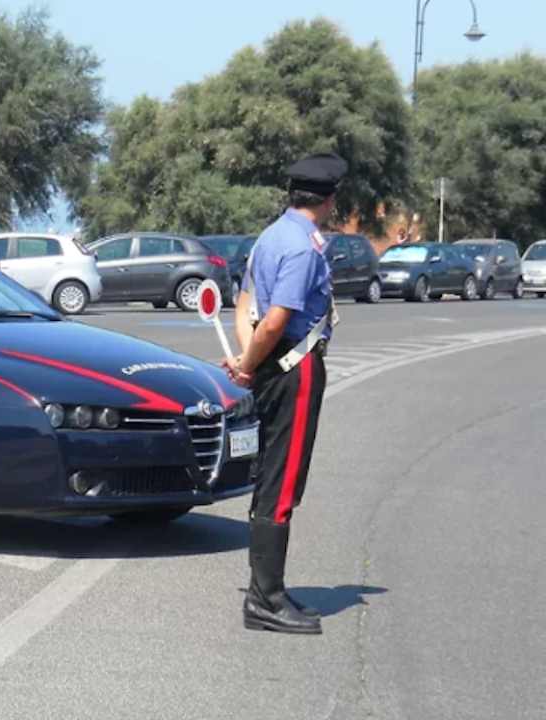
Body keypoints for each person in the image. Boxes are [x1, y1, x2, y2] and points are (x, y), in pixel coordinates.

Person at [226, 152, 348, 635]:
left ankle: (267, 590)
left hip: (271, 366)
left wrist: (244, 360)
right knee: (282, 481)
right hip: (294, 371)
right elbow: (276, 318)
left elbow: (244, 304)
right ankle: (266, 599)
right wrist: (250, 363)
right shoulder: (303, 246)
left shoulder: (270, 236)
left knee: (272, 476)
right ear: (330, 199)